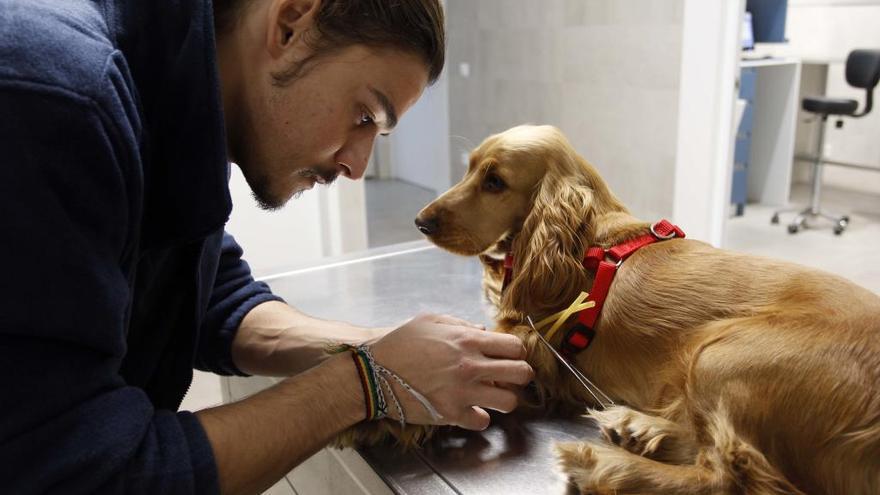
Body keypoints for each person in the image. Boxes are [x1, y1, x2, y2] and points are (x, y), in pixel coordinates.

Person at [0, 0, 534, 493]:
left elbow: (212, 299)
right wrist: (364, 382)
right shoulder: (57, 100)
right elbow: (78, 471)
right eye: (365, 115)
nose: (356, 166)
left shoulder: (170, 98)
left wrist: (375, 347)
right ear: (291, 21)